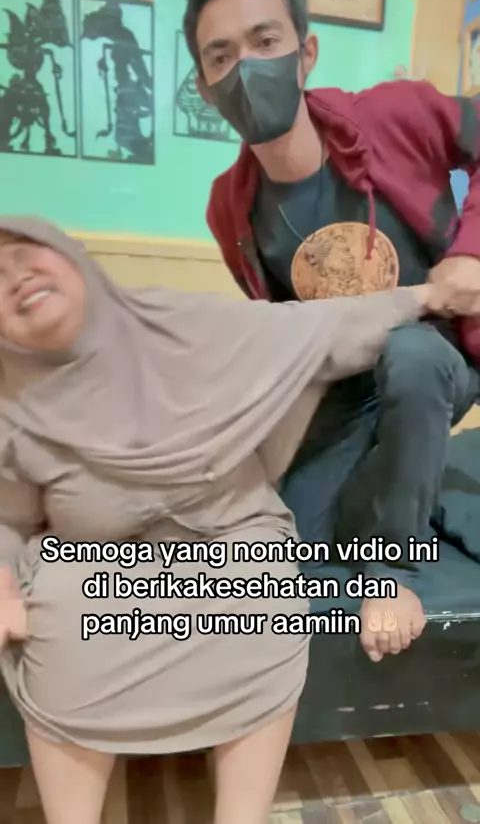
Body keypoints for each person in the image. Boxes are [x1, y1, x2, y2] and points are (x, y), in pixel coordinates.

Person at [0, 216, 446, 824]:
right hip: (89, 557)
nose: (16, 278)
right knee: (63, 612)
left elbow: (323, 327)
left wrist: (427, 296)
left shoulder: (184, 324)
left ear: (73, 259)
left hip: (232, 535)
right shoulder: (10, 396)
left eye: (27, 254)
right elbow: (8, 516)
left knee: (260, 597)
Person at [183, 0, 480, 663]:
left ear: (306, 53)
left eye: (265, 42)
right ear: (204, 85)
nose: (246, 69)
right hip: (352, 383)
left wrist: (470, 250)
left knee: (410, 354)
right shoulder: (230, 208)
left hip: (441, 355)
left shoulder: (394, 115)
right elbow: (292, 342)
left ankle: (396, 572)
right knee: (289, 549)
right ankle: (405, 488)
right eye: (222, 56)